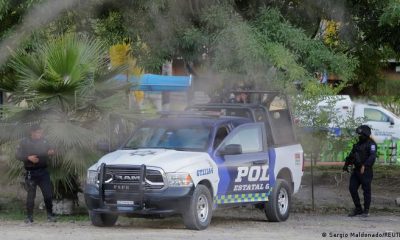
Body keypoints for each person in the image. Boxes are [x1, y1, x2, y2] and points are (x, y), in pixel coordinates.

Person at [16, 124, 56, 223]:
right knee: (31, 196)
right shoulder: (24, 142)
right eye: (38, 132)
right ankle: (29, 217)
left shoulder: (45, 141)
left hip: (43, 172)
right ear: (32, 133)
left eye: (41, 132)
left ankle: (50, 216)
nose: (40, 134)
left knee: (48, 195)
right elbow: (17, 155)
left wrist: (51, 151)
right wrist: (28, 158)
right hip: (31, 173)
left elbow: (51, 150)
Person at [342, 125, 377, 217]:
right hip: (356, 171)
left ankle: (366, 210)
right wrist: (346, 165)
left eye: (360, 134)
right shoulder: (357, 144)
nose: (359, 136)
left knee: (366, 190)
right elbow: (351, 155)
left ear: (365, 134)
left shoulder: (372, 144)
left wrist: (365, 166)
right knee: (352, 188)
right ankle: (358, 209)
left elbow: (372, 156)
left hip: (366, 171)